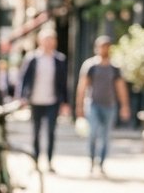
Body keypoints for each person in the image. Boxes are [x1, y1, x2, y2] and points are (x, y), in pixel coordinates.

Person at [75, 35, 131, 175]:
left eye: (107, 47)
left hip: (110, 106)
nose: (104, 49)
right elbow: (82, 87)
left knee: (106, 136)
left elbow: (120, 88)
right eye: (102, 46)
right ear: (97, 48)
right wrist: (79, 106)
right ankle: (92, 160)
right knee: (93, 133)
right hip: (93, 104)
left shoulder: (115, 68)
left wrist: (125, 106)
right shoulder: (90, 66)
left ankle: (101, 163)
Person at [18, 29, 69, 172]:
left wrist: (65, 102)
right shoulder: (32, 58)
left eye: (51, 40)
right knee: (36, 132)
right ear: (40, 41)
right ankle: (35, 161)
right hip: (35, 100)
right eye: (46, 40)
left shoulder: (59, 59)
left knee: (51, 132)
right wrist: (22, 97)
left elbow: (63, 82)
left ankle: (50, 161)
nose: (49, 43)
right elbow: (24, 79)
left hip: (53, 101)